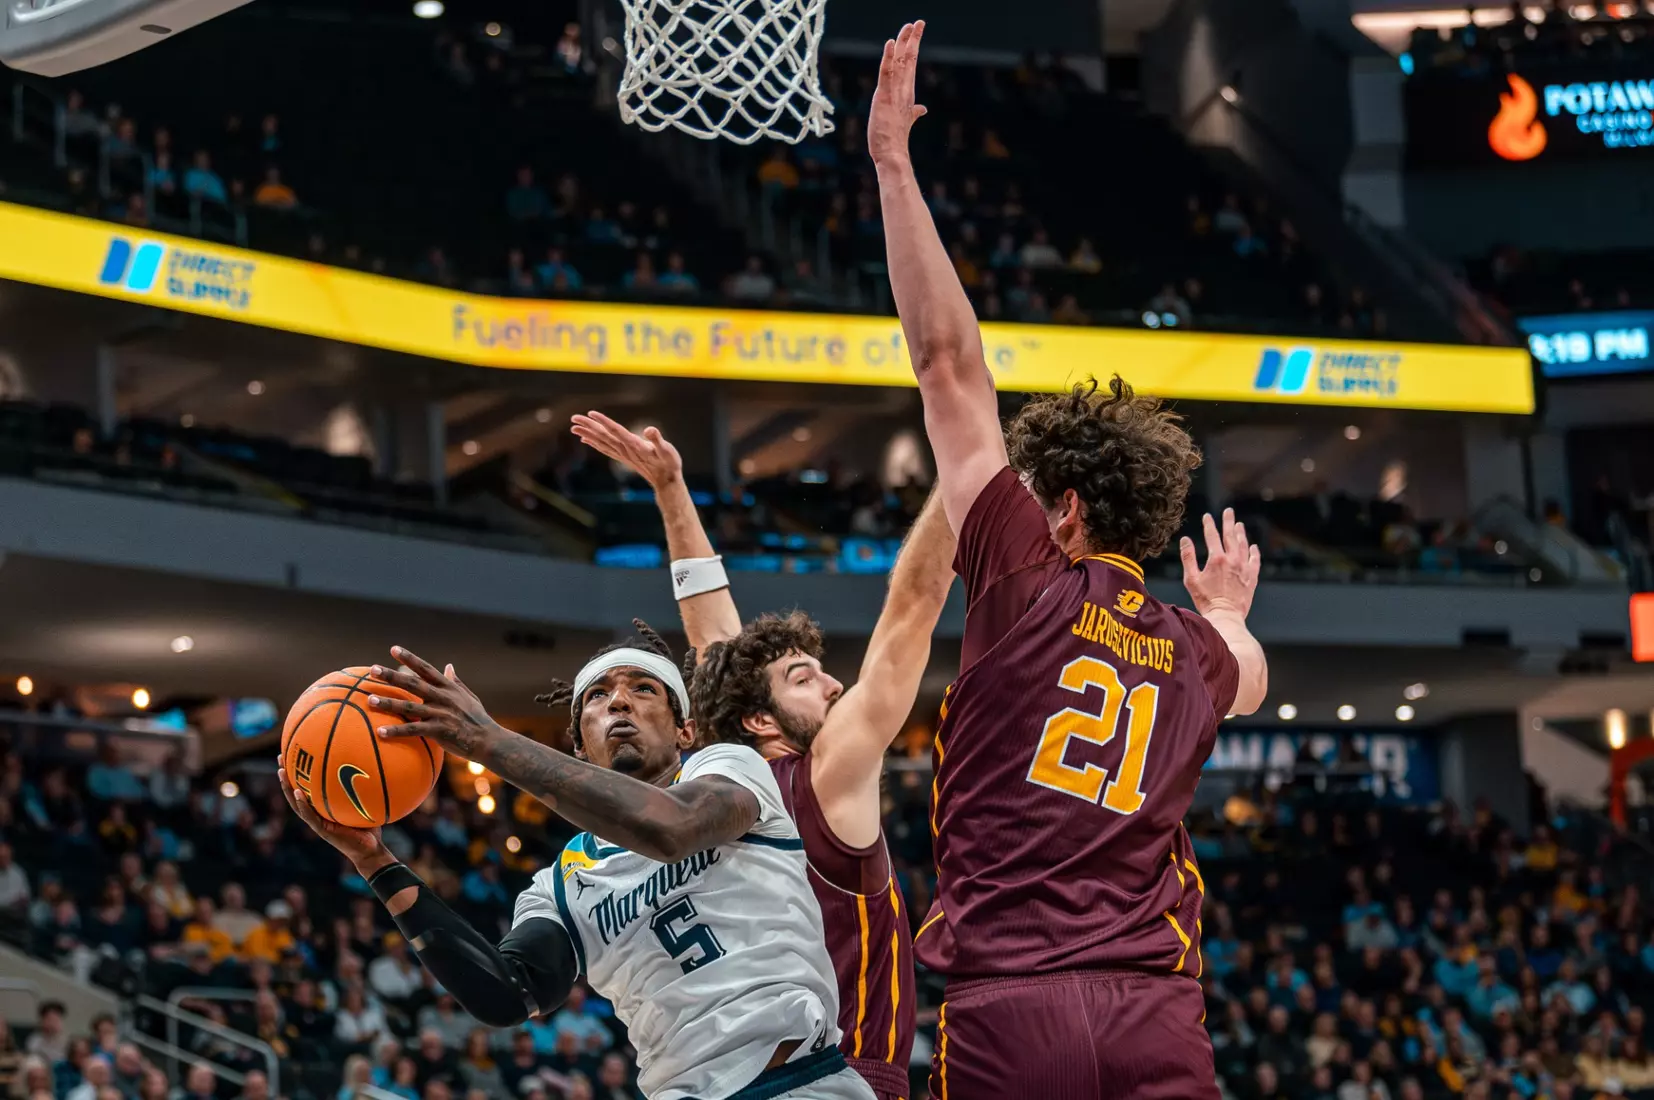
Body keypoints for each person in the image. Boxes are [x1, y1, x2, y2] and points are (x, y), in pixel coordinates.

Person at [868, 21, 1268, 1099]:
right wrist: (1227, 607)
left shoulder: (1024, 568)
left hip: (1014, 1008)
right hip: (1154, 1011)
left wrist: (893, 169)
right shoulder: (1195, 648)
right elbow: (1250, 668)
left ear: (1069, 507)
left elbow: (948, 365)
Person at [293, 632, 875, 1100]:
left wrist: (489, 742)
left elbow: (669, 828)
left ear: (686, 730)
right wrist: (374, 860)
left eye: (644, 689)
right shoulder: (561, 886)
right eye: (597, 697)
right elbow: (505, 995)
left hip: (802, 1081)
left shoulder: (730, 769)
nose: (619, 701)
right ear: (578, 746)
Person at [568, 411, 956, 1100]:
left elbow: (715, 642)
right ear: (758, 718)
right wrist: (966, 468)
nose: (835, 682)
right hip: (841, 1074)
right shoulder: (822, 777)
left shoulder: (719, 777)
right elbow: (913, 606)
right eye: (805, 677)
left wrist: (671, 490)